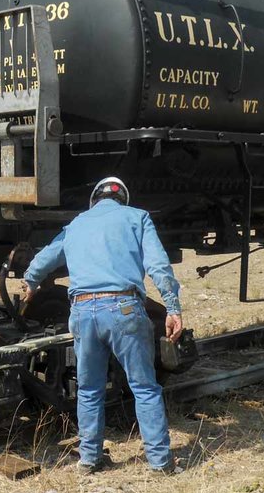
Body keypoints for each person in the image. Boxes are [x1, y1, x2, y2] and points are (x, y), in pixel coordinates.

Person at [22, 177, 185, 476]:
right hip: (123, 307)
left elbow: (46, 256)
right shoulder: (138, 217)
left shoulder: (76, 224)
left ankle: (89, 459)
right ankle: (161, 464)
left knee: (89, 389)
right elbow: (158, 265)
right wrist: (172, 308)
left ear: (94, 199)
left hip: (83, 310)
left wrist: (30, 281)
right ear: (122, 197)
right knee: (144, 387)